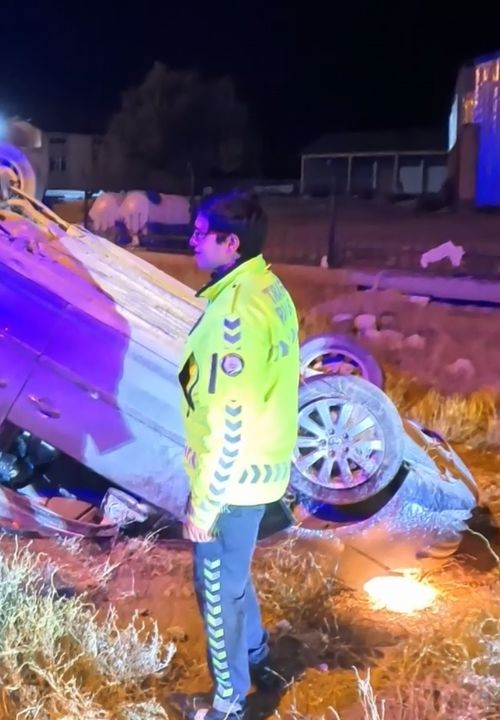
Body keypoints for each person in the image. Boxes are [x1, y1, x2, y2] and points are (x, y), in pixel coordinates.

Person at [173, 192, 298, 720]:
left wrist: (205, 504)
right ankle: (258, 657)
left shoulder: (235, 315)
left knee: (217, 589)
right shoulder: (268, 288)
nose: (192, 240)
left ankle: (227, 703)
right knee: (235, 575)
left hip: (232, 481)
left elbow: (230, 420)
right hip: (261, 470)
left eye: (201, 232)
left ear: (231, 243)